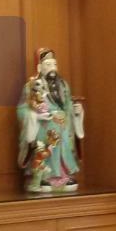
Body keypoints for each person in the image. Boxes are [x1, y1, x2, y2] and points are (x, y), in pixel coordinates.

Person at [16, 48, 84, 192]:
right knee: (46, 150)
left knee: (63, 148)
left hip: (63, 127)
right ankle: (44, 177)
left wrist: (77, 112)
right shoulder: (31, 86)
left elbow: (68, 106)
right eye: (48, 64)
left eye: (54, 64)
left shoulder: (63, 85)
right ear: (39, 67)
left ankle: (64, 175)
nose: (52, 68)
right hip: (43, 126)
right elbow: (21, 110)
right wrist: (35, 116)